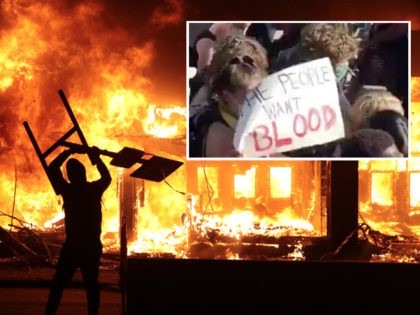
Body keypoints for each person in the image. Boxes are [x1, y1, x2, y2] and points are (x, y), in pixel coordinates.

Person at [45, 145, 112, 315]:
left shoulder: (68, 190)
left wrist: (68, 152)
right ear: (83, 173)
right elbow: (107, 177)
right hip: (90, 245)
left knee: (59, 285)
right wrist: (96, 158)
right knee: (91, 285)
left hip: (73, 246)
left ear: (70, 176)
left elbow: (52, 167)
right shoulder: (93, 189)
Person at [189, 34, 269, 157]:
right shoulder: (220, 135)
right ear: (225, 96)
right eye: (250, 98)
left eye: (262, 91)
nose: (260, 101)